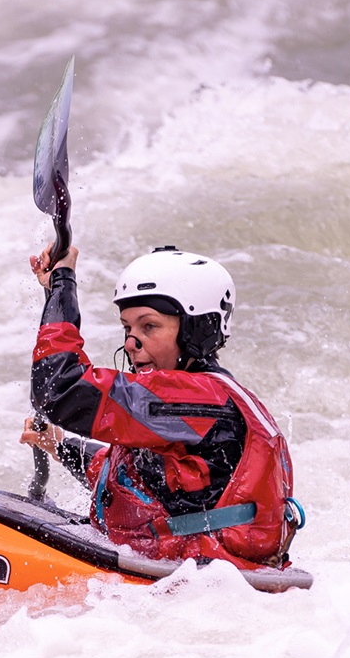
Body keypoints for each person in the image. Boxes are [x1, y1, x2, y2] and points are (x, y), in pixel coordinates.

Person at [22, 243, 299, 570]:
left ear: (198, 330)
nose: (130, 343)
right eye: (127, 328)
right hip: (190, 575)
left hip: (202, 585)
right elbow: (132, 481)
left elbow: (58, 387)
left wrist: (63, 282)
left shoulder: (199, 397)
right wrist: (59, 445)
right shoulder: (198, 399)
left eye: (149, 326)